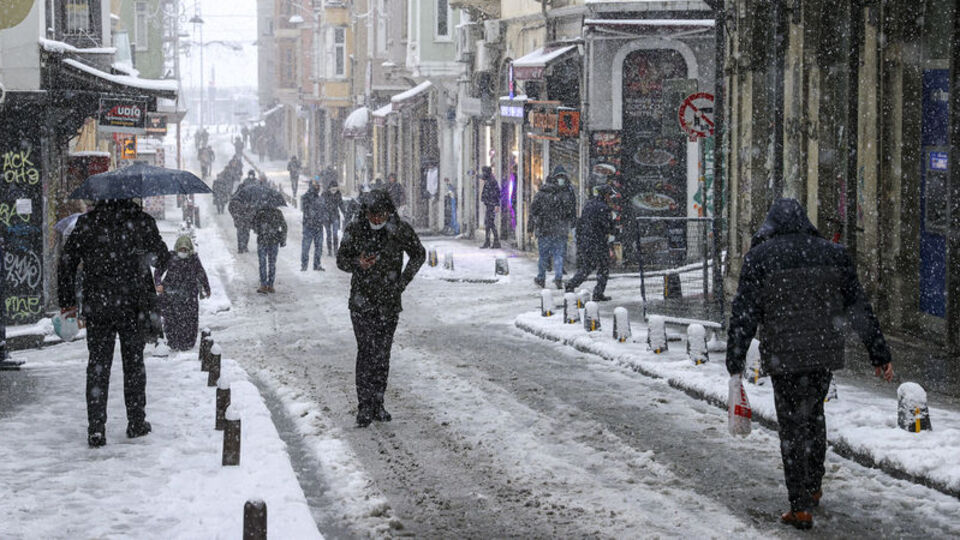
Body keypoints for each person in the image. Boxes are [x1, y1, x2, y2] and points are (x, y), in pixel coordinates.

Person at [726, 198, 895, 530]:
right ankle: (814, 486)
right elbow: (858, 306)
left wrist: (735, 360)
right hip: (821, 353)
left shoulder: (759, 258)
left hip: (784, 356)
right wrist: (880, 354)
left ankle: (799, 505)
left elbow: (744, 314)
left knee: (791, 426)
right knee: (814, 416)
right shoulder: (832, 253)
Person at [58, 199, 171, 447]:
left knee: (98, 365)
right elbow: (162, 257)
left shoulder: (87, 223)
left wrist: (67, 302)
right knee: (133, 364)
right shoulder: (141, 221)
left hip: (98, 306)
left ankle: (96, 429)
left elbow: (67, 261)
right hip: (133, 305)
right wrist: (143, 257)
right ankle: (136, 422)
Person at [337, 190, 425, 427]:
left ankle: (378, 403)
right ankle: (364, 406)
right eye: (373, 216)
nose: (377, 220)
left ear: (388, 213)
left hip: (388, 302)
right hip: (361, 302)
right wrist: (358, 263)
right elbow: (341, 259)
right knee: (365, 352)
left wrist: (402, 282)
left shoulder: (398, 230)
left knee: (382, 354)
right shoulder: (355, 229)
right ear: (366, 213)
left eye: (381, 215)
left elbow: (419, 254)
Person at [155, 235, 211, 351]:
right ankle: (173, 341)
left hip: (189, 295)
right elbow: (158, 271)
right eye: (181, 250)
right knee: (171, 319)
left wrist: (207, 287)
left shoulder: (193, 259)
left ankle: (187, 342)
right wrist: (158, 284)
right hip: (171, 295)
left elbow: (201, 273)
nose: (183, 252)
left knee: (189, 320)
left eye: (185, 250)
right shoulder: (170, 257)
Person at [564, 185, 615, 301]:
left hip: (586, 240)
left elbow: (582, 221)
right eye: (610, 195)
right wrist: (613, 228)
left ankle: (571, 284)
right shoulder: (604, 208)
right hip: (598, 241)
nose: (611, 198)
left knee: (587, 266)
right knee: (603, 267)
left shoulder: (589, 204)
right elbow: (607, 226)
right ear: (606, 195)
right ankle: (598, 292)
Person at [530, 170, 570, 289]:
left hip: (544, 230)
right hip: (559, 230)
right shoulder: (561, 195)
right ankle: (558, 277)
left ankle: (541, 278)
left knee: (543, 255)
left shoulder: (540, 195)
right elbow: (567, 212)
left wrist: (531, 227)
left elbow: (533, 212)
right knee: (558, 255)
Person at [252, 205, 287, 293]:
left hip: (262, 240)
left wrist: (259, 230)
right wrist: (282, 238)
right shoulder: (278, 213)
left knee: (262, 263)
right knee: (272, 263)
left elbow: (253, 225)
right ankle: (270, 285)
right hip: (274, 240)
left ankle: (263, 284)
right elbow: (284, 226)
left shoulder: (260, 212)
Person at [228, 170, 259, 253]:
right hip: (241, 216)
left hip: (246, 216)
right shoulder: (241, 191)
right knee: (241, 232)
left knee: (245, 232)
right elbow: (232, 203)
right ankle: (241, 247)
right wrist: (236, 215)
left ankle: (244, 246)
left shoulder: (255, 187)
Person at [300, 179, 325, 271]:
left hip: (318, 226)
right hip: (309, 226)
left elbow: (323, 210)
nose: (317, 188)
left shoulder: (320, 198)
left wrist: (322, 218)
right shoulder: (306, 197)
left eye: (318, 186)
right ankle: (304, 265)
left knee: (319, 247)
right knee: (306, 247)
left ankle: (316, 264)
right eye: (315, 186)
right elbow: (305, 209)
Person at [320, 180, 345, 256]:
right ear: (329, 188)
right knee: (328, 234)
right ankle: (329, 250)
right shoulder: (324, 194)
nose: (334, 190)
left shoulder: (338, 194)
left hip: (335, 216)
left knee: (335, 234)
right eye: (332, 189)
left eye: (335, 189)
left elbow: (341, 204)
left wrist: (345, 212)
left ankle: (336, 250)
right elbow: (320, 205)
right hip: (326, 216)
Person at [480, 166, 501, 248]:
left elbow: (497, 193)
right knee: (488, 224)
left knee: (490, 223)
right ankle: (489, 241)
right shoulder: (489, 180)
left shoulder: (492, 181)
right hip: (489, 204)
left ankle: (495, 241)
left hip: (491, 205)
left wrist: (496, 204)